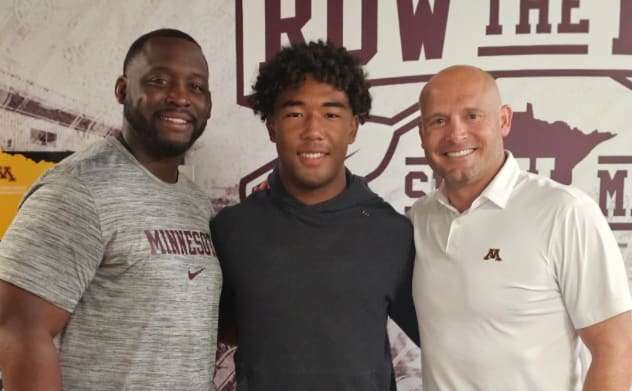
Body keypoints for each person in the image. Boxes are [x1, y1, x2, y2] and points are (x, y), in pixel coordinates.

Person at [0, 28, 221, 390]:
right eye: (160, 80)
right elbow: (20, 329)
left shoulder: (195, 201)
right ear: (122, 90)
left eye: (196, 86)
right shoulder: (78, 188)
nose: (181, 97)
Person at [210, 40, 419, 390]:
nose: (313, 131)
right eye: (294, 113)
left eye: (331, 114)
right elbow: (222, 327)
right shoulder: (232, 230)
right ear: (272, 125)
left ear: (353, 127)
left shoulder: (393, 234)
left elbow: (445, 336)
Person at [410, 64, 632, 390]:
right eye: (439, 120)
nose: (456, 134)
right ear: (422, 133)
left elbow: (618, 348)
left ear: (504, 120)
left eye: (473, 116)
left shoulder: (564, 212)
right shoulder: (419, 219)